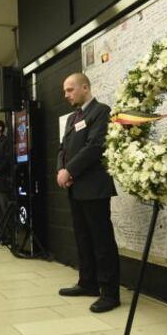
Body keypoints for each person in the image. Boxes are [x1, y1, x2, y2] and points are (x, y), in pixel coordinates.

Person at [57, 73, 121, 313]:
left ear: (85, 87)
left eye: (70, 89)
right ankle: (88, 283)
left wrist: (69, 171)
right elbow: (62, 148)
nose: (66, 95)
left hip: (94, 188)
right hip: (75, 189)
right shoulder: (73, 117)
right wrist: (60, 169)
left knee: (101, 241)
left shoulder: (101, 111)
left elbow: (94, 146)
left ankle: (110, 293)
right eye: (65, 91)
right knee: (83, 239)